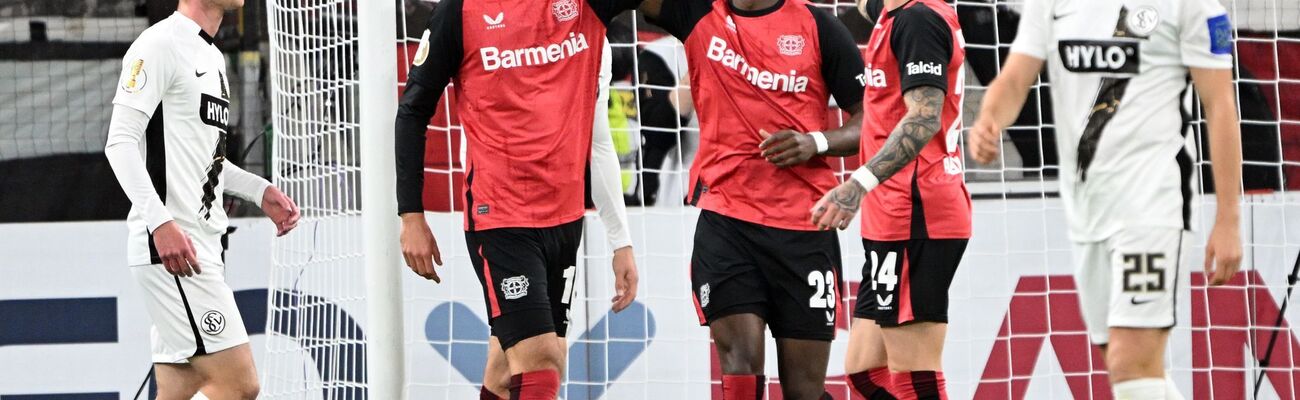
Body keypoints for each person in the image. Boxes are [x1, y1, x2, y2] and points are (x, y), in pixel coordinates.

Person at [967, 0, 1244, 397]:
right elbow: (1014, 80)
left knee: (1131, 363)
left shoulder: (1191, 7)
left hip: (1154, 202)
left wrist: (1229, 219)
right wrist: (989, 120)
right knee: (1123, 361)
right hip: (1087, 209)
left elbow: (1219, 107)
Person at [393, 0, 642, 398]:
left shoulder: (586, 11)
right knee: (543, 360)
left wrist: (621, 240)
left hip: (564, 219)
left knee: (507, 373)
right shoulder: (459, 12)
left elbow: (598, 141)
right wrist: (411, 214)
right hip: (500, 216)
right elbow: (413, 111)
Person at [633, 0, 867, 397]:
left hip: (804, 229)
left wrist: (817, 142)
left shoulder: (818, 27)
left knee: (805, 392)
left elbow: (872, 120)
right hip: (727, 223)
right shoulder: (696, 13)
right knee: (739, 369)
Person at [104, 0, 301, 398]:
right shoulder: (158, 44)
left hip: (201, 248)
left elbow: (204, 159)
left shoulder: (212, 56)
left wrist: (258, 190)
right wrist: (160, 224)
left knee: (180, 387)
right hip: (175, 254)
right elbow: (119, 143)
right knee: (240, 385)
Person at [812, 0, 969, 398]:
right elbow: (870, 6)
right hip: (892, 215)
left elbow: (924, 118)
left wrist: (857, 183)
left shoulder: (917, 20)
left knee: (913, 376)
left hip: (917, 210)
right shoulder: (895, 11)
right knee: (865, 371)